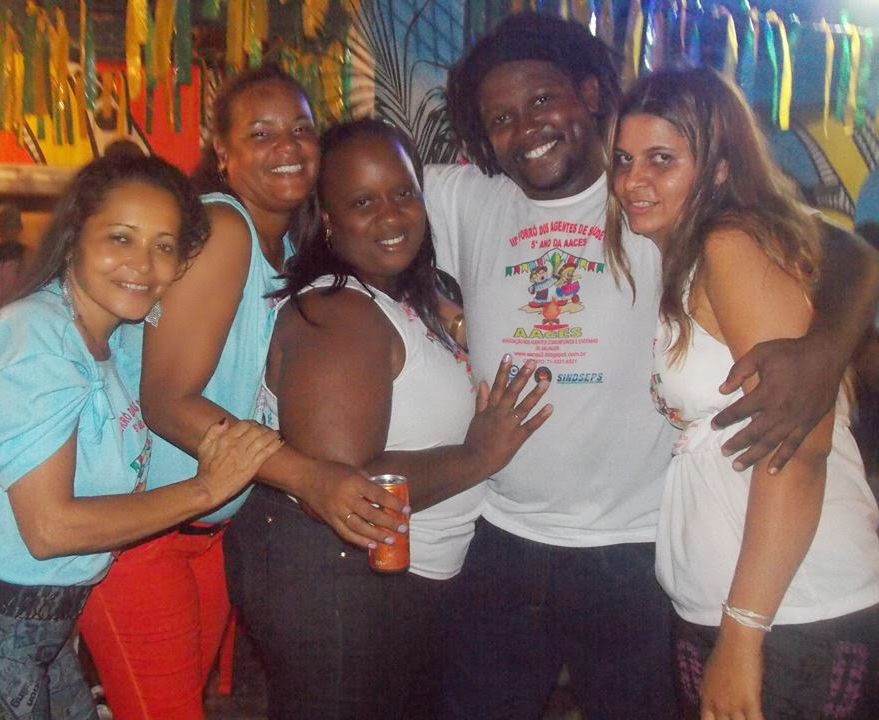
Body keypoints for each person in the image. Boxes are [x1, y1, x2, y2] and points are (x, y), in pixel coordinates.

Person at [426, 13, 879, 719]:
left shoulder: (671, 210)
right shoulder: (474, 197)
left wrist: (821, 356)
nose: (525, 127)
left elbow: (847, 252)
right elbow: (361, 201)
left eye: (542, 100)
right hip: (510, 536)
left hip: (642, 550)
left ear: (589, 94)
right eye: (501, 119)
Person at [76, 67, 404, 720]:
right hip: (139, 533)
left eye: (302, 130)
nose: (288, 146)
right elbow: (168, 401)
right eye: (261, 133)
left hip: (205, 529)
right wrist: (309, 477)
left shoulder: (289, 247)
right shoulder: (225, 227)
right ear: (222, 152)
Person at [0, 154, 283, 720]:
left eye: (164, 246)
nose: (144, 263)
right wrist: (206, 490)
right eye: (121, 237)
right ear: (74, 237)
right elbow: (50, 528)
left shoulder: (99, 346)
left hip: (35, 629)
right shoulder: (36, 338)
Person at [227, 117, 551, 719]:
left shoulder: (402, 296)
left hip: (394, 581)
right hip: (343, 583)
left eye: (403, 193)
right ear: (327, 217)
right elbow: (350, 488)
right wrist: (480, 455)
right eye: (363, 202)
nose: (391, 215)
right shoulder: (338, 313)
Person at [608, 64, 879, 720]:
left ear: (720, 168)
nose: (632, 181)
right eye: (623, 159)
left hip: (791, 615)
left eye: (662, 159)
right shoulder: (689, 258)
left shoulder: (731, 247)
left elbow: (797, 452)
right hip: (732, 608)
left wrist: (742, 635)